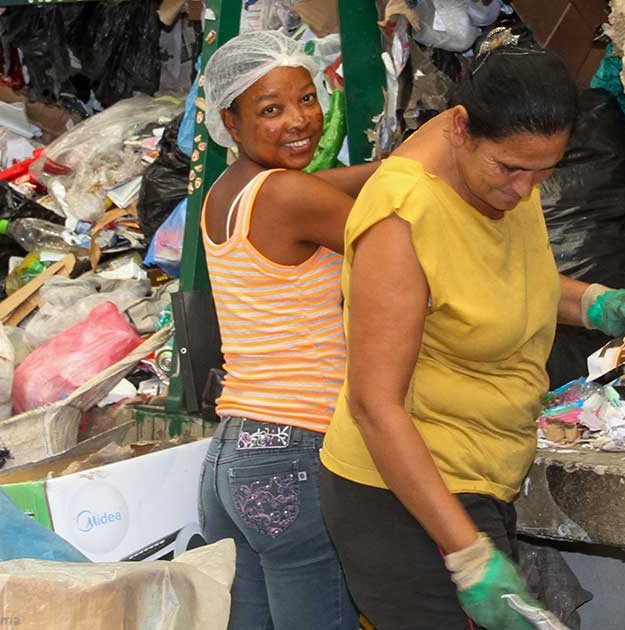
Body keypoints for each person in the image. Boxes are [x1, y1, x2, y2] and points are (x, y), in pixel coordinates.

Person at [319, 33, 625, 630]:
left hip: (483, 477)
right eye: (510, 169)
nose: (525, 189)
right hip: (403, 494)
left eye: (543, 172)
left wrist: (599, 304)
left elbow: (509, 284)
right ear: (460, 128)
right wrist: (470, 555)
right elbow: (374, 406)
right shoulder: (402, 217)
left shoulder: (508, 178)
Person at [197, 29, 376, 630]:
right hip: (294, 452)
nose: (300, 120)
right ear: (231, 119)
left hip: (233, 459)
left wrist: (405, 163)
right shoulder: (290, 195)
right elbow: (405, 252)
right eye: (270, 109)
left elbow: (344, 183)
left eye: (307, 98)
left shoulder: (227, 194)